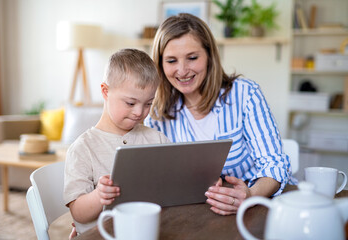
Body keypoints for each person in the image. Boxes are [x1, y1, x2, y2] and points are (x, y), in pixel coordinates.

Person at [144, 13, 296, 216]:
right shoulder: (157, 113)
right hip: (198, 215)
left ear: (209, 56)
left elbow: (275, 164)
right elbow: (154, 177)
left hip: (257, 208)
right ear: (160, 65)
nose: (182, 70)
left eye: (192, 58)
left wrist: (249, 195)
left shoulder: (245, 94)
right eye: (171, 61)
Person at [64, 48, 170, 235]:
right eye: (130, 103)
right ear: (105, 91)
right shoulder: (83, 148)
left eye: (148, 103)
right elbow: (78, 213)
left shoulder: (157, 139)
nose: (139, 112)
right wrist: (99, 196)